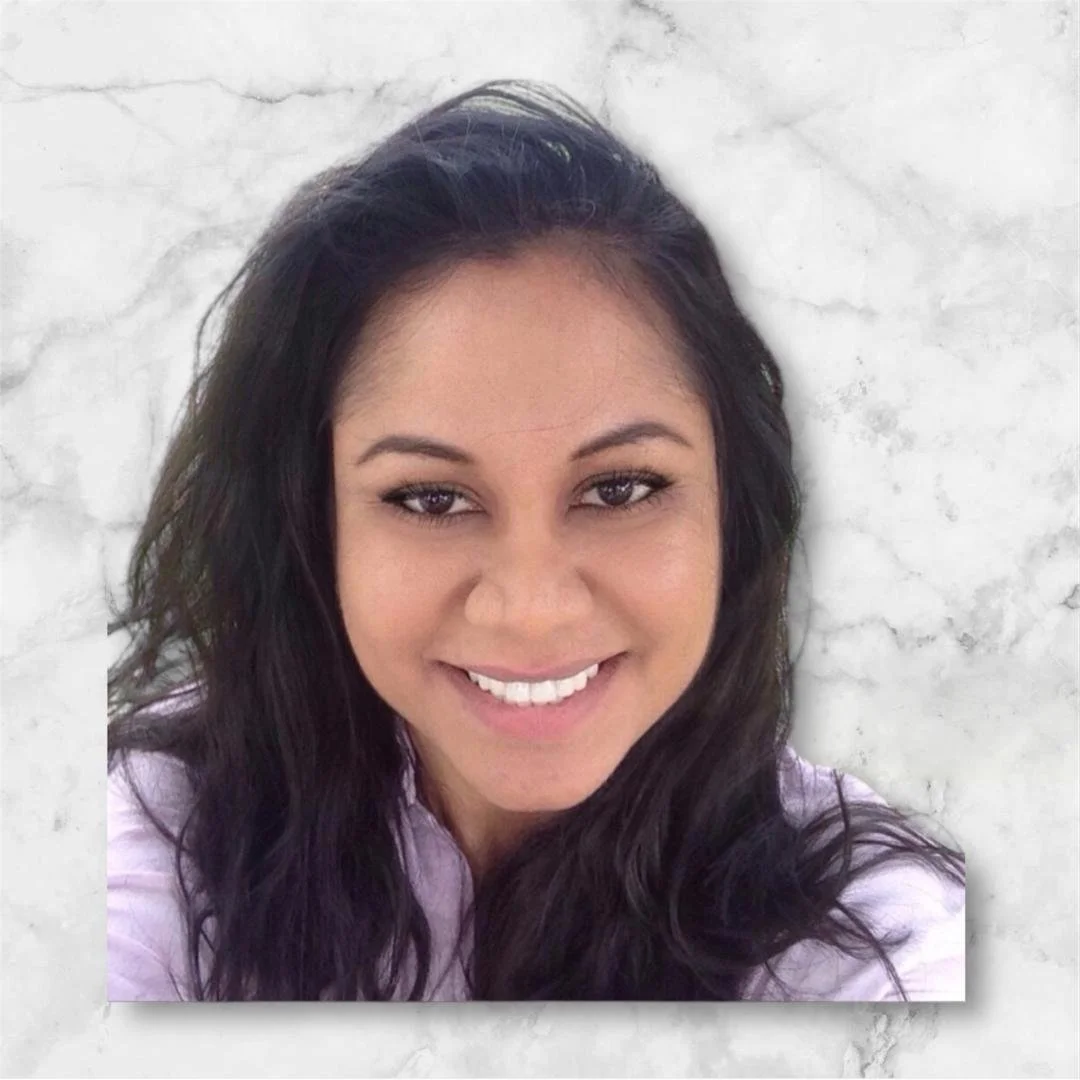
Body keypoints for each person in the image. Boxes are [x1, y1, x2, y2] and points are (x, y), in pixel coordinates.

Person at [107, 79, 966, 1002]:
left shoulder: (873, 945)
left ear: (735, 508)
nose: (532, 607)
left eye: (620, 488)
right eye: (432, 499)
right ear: (310, 523)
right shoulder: (150, 837)